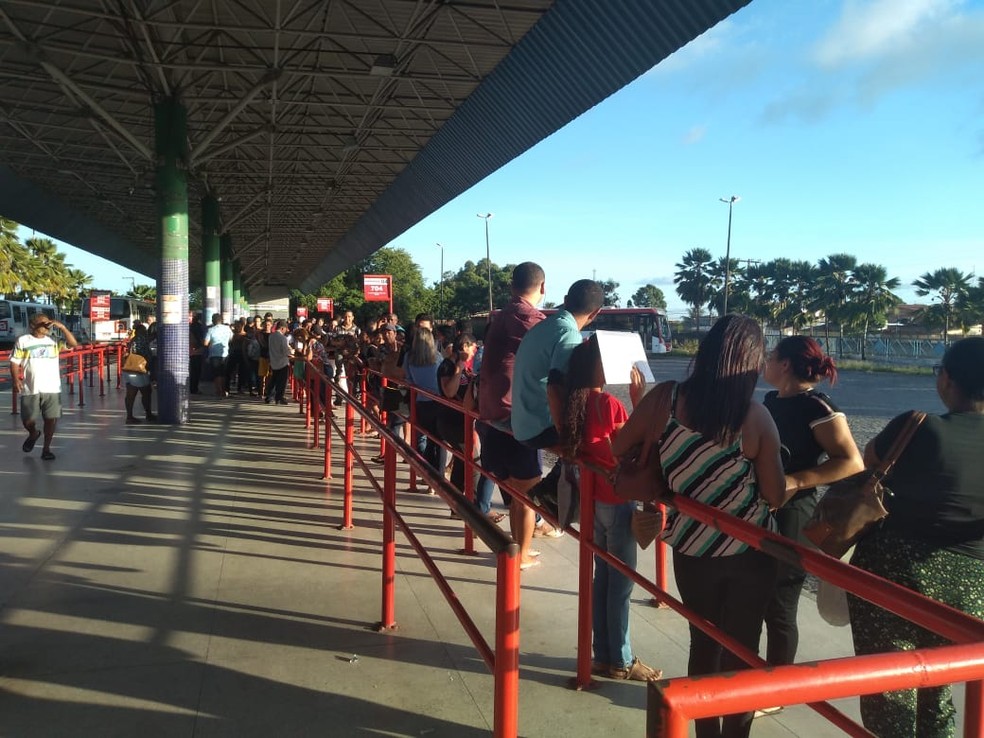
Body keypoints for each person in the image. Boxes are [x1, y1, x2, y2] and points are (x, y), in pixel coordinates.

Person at [612, 315, 786, 738]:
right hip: (749, 553)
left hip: (691, 548)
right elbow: (775, 494)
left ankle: (703, 732)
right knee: (743, 652)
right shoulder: (755, 417)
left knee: (702, 644)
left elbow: (618, 446)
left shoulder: (665, 400)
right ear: (751, 362)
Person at [848, 337, 984, 738]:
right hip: (971, 584)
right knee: (938, 685)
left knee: (889, 690)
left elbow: (868, 460)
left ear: (947, 380)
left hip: (895, 576)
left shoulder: (918, 426)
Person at [559, 335, 660, 681]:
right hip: (617, 501)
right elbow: (628, 450)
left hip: (593, 499)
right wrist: (638, 401)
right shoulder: (610, 406)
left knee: (603, 577)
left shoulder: (576, 403)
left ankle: (602, 653)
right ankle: (621, 659)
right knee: (621, 584)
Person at [761, 336, 863, 670]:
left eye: (771, 356)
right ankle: (754, 679)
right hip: (760, 509)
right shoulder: (770, 400)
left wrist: (796, 480)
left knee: (780, 605)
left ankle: (776, 690)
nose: (766, 362)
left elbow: (851, 462)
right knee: (757, 598)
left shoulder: (818, 407)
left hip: (794, 513)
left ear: (785, 364)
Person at [477, 262, 547, 570]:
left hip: (493, 414)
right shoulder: (528, 317)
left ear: (510, 286)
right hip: (513, 417)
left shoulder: (502, 316)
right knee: (528, 493)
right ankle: (522, 555)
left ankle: (516, 548)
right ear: (543, 287)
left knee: (516, 491)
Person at [438, 333, 500, 521]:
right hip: (451, 421)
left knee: (462, 462)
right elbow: (449, 392)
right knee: (475, 463)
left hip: (462, 421)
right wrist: (459, 368)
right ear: (465, 346)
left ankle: (456, 506)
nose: (475, 351)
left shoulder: (467, 367)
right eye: (473, 347)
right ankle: (477, 509)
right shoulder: (448, 365)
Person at [10, 313, 78, 461]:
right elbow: (15, 362)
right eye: (43, 323)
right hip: (31, 387)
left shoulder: (53, 341)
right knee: (28, 420)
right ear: (33, 325)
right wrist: (16, 380)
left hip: (52, 387)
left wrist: (63, 328)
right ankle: (33, 433)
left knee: (50, 419)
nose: (47, 325)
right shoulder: (23, 341)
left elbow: (74, 344)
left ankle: (46, 449)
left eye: (49, 323)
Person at [403, 327, 448, 484]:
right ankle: (440, 477)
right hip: (438, 401)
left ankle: (429, 475)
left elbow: (408, 380)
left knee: (428, 438)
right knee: (440, 442)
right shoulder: (437, 357)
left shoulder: (409, 357)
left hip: (421, 403)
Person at [123, 322, 156, 424]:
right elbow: (146, 354)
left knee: (130, 394)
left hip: (129, 368)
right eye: (144, 331)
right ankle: (148, 414)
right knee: (146, 392)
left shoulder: (133, 339)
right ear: (141, 331)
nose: (146, 332)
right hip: (139, 370)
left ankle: (129, 416)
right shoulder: (142, 339)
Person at [203, 313, 234, 398]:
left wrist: (211, 344)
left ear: (213, 320)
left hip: (214, 354)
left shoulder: (211, 330)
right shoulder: (227, 328)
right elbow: (231, 339)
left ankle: (218, 391)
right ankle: (223, 391)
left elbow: (205, 343)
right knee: (223, 373)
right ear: (221, 320)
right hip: (225, 353)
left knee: (216, 374)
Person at [265, 319, 291, 405]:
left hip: (274, 361)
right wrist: (291, 351)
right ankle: (279, 397)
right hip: (282, 362)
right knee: (282, 382)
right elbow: (285, 351)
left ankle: (269, 396)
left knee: (274, 379)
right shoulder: (283, 338)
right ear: (283, 328)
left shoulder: (271, 336)